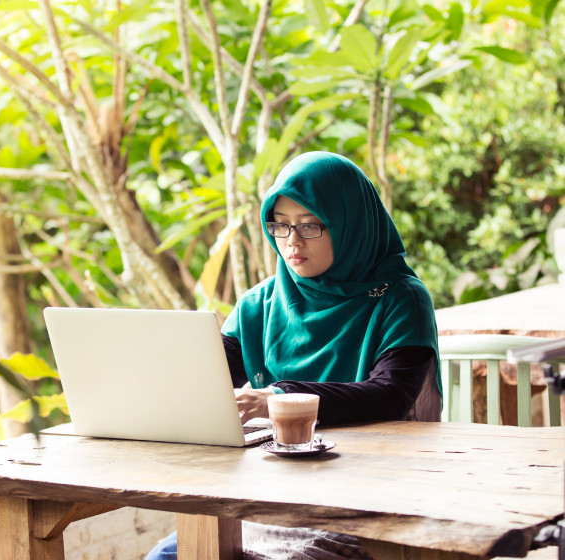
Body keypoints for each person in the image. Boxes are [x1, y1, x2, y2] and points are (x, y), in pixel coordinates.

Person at [145, 151, 440, 560]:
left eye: (311, 225)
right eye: (280, 225)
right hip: (269, 498)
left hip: (368, 501)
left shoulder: (401, 299)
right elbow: (204, 378)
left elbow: (390, 394)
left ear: (350, 223)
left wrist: (278, 399)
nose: (291, 241)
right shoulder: (261, 302)